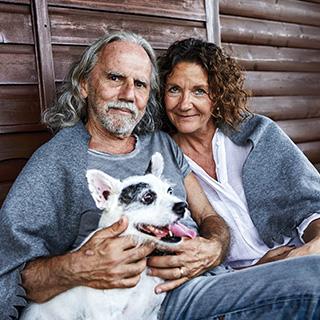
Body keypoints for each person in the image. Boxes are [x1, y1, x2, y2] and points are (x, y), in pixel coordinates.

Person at [0, 31, 229, 319]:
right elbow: (9, 272)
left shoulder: (162, 144)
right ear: (84, 85)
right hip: (147, 306)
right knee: (303, 284)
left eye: (140, 84)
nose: (128, 95)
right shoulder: (55, 163)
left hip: (209, 284)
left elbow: (209, 215)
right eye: (115, 78)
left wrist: (215, 248)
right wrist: (77, 267)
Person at [151, 37, 320, 318]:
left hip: (299, 257)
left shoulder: (257, 134)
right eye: (174, 89)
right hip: (235, 285)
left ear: (217, 94)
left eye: (199, 91)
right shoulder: (163, 159)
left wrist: (313, 247)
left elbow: (310, 202)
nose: (184, 103)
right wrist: (258, 269)